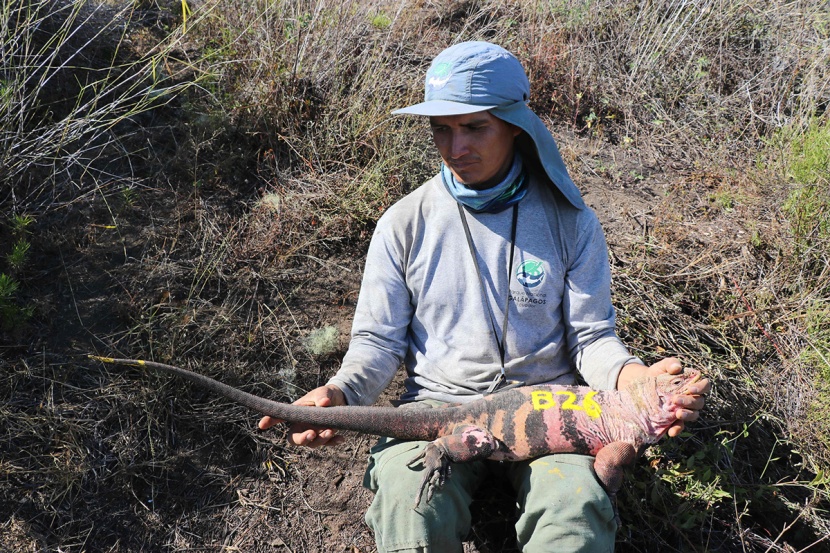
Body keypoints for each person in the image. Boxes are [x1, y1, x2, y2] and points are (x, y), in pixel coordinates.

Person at [259, 41, 710, 552]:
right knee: (410, 507)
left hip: (552, 408)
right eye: (441, 129)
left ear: (515, 125)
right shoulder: (403, 224)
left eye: (475, 127)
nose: (456, 148)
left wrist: (636, 381)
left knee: (574, 511)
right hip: (438, 408)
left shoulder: (571, 222)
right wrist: (340, 394)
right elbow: (378, 344)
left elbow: (591, 339)